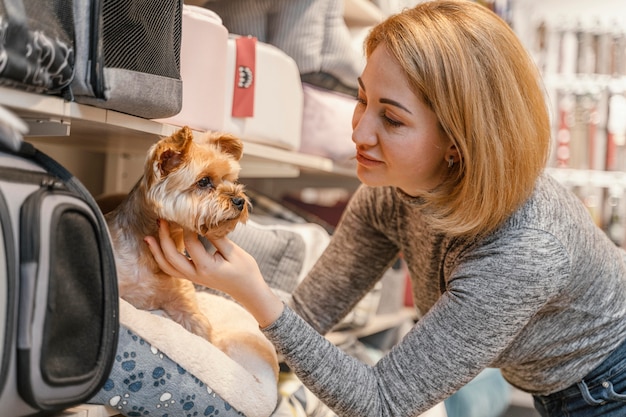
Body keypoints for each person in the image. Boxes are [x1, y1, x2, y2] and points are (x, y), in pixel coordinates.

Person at [144, 1, 626, 416]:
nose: (358, 133)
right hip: (555, 380)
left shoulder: (524, 248)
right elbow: (311, 313)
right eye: (362, 98)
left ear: (458, 144)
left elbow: (383, 404)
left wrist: (254, 293)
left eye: (391, 118)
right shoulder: (390, 191)